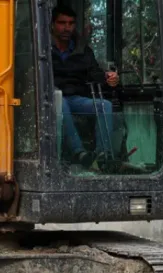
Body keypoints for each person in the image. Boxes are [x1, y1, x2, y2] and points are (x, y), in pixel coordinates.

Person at [51, 4, 118, 166]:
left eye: (71, 23)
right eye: (62, 23)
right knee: (61, 103)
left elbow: (95, 73)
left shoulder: (82, 50)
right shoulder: (42, 49)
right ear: (52, 24)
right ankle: (78, 153)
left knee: (105, 105)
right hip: (50, 99)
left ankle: (103, 155)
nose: (67, 28)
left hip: (75, 98)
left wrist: (108, 78)